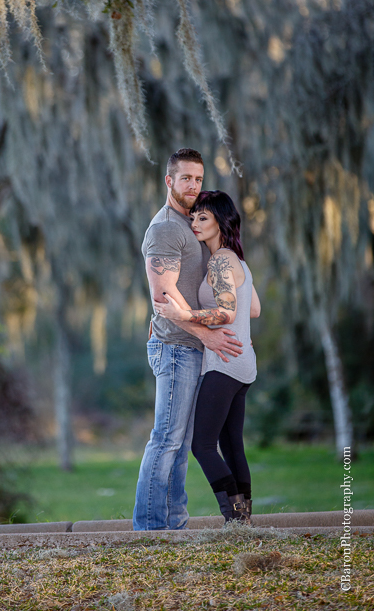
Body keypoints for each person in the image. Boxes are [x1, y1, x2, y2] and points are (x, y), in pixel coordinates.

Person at [133, 149, 244, 531]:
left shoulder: (194, 224)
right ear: (169, 181)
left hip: (192, 348)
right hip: (176, 348)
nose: (193, 186)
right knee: (166, 440)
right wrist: (206, 335)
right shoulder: (166, 228)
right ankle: (150, 528)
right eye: (186, 179)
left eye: (198, 179)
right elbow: (162, 297)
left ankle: (174, 523)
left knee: (181, 445)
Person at [159, 190, 261, 525]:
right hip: (244, 363)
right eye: (193, 217)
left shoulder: (218, 261)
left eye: (203, 217)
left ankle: (233, 518)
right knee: (232, 446)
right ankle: (244, 521)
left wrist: (183, 313)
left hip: (224, 364)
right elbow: (254, 309)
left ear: (221, 220)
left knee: (202, 446)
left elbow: (228, 313)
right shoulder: (237, 259)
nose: (195, 223)